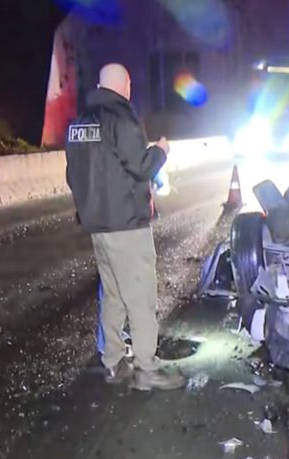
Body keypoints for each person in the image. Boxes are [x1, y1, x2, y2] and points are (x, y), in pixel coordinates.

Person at [66, 63, 185, 390]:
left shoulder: (78, 123)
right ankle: (146, 368)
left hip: (98, 227)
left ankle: (114, 361)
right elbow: (141, 166)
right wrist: (160, 152)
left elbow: (72, 175)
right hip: (127, 224)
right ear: (125, 85)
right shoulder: (122, 118)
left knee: (114, 294)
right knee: (140, 295)